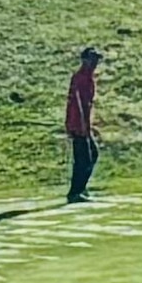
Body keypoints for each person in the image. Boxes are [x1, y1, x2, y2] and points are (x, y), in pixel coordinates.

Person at [63, 45, 103, 203]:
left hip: (82, 125)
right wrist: (83, 127)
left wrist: (89, 126)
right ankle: (75, 192)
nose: (95, 63)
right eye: (92, 59)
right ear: (84, 60)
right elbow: (80, 105)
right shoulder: (81, 78)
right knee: (84, 158)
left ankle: (79, 189)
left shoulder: (88, 78)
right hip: (77, 125)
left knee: (91, 155)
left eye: (96, 60)